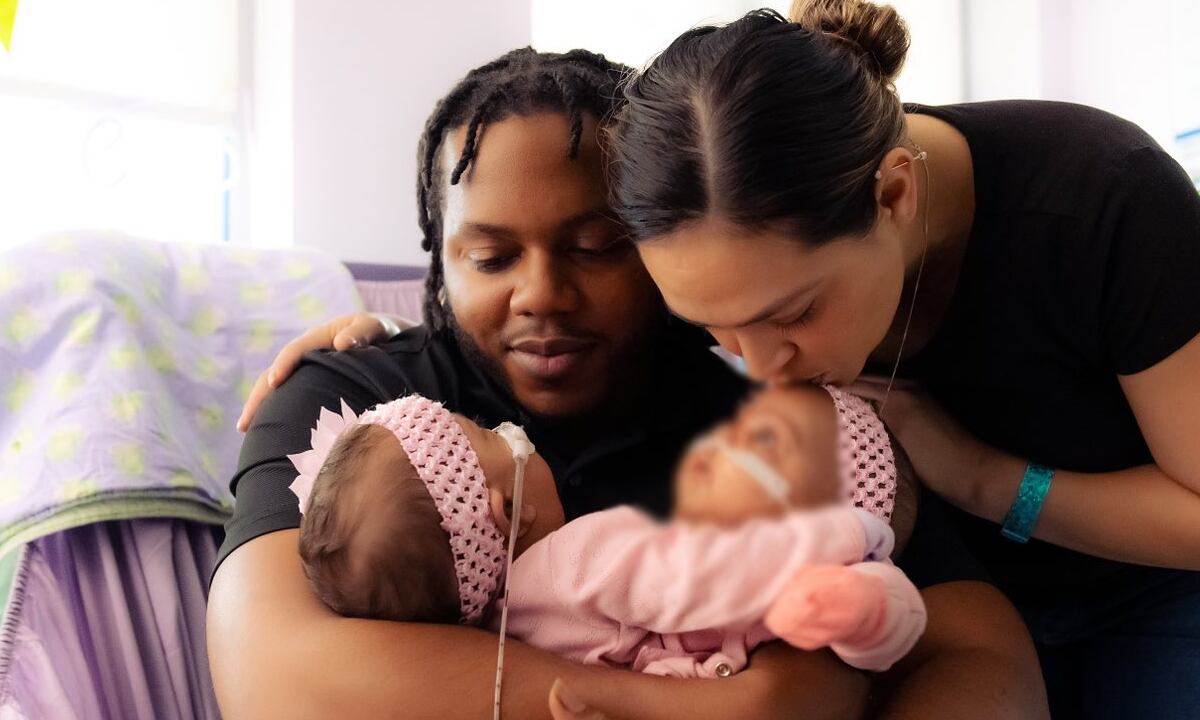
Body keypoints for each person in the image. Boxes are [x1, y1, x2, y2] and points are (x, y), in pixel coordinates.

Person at [209, 47, 1047, 719]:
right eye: (491, 257)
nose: (539, 294)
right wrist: (747, 702)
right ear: (440, 259)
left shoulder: (766, 413)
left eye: (594, 247)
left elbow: (986, 656)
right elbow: (276, 676)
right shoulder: (351, 406)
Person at [603, 2, 1200, 717]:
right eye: (711, 326)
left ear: (894, 193)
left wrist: (981, 477)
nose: (763, 368)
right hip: (934, 603)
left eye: (794, 314)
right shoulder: (707, 251)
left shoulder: (1102, 200)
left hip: (1146, 589)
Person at [287, 387, 925, 683]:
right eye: (490, 434)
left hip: (695, 666)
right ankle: (862, 609)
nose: (512, 429)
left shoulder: (498, 627)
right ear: (508, 514)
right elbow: (693, 577)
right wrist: (839, 534)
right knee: (862, 598)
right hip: (733, 629)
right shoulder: (578, 558)